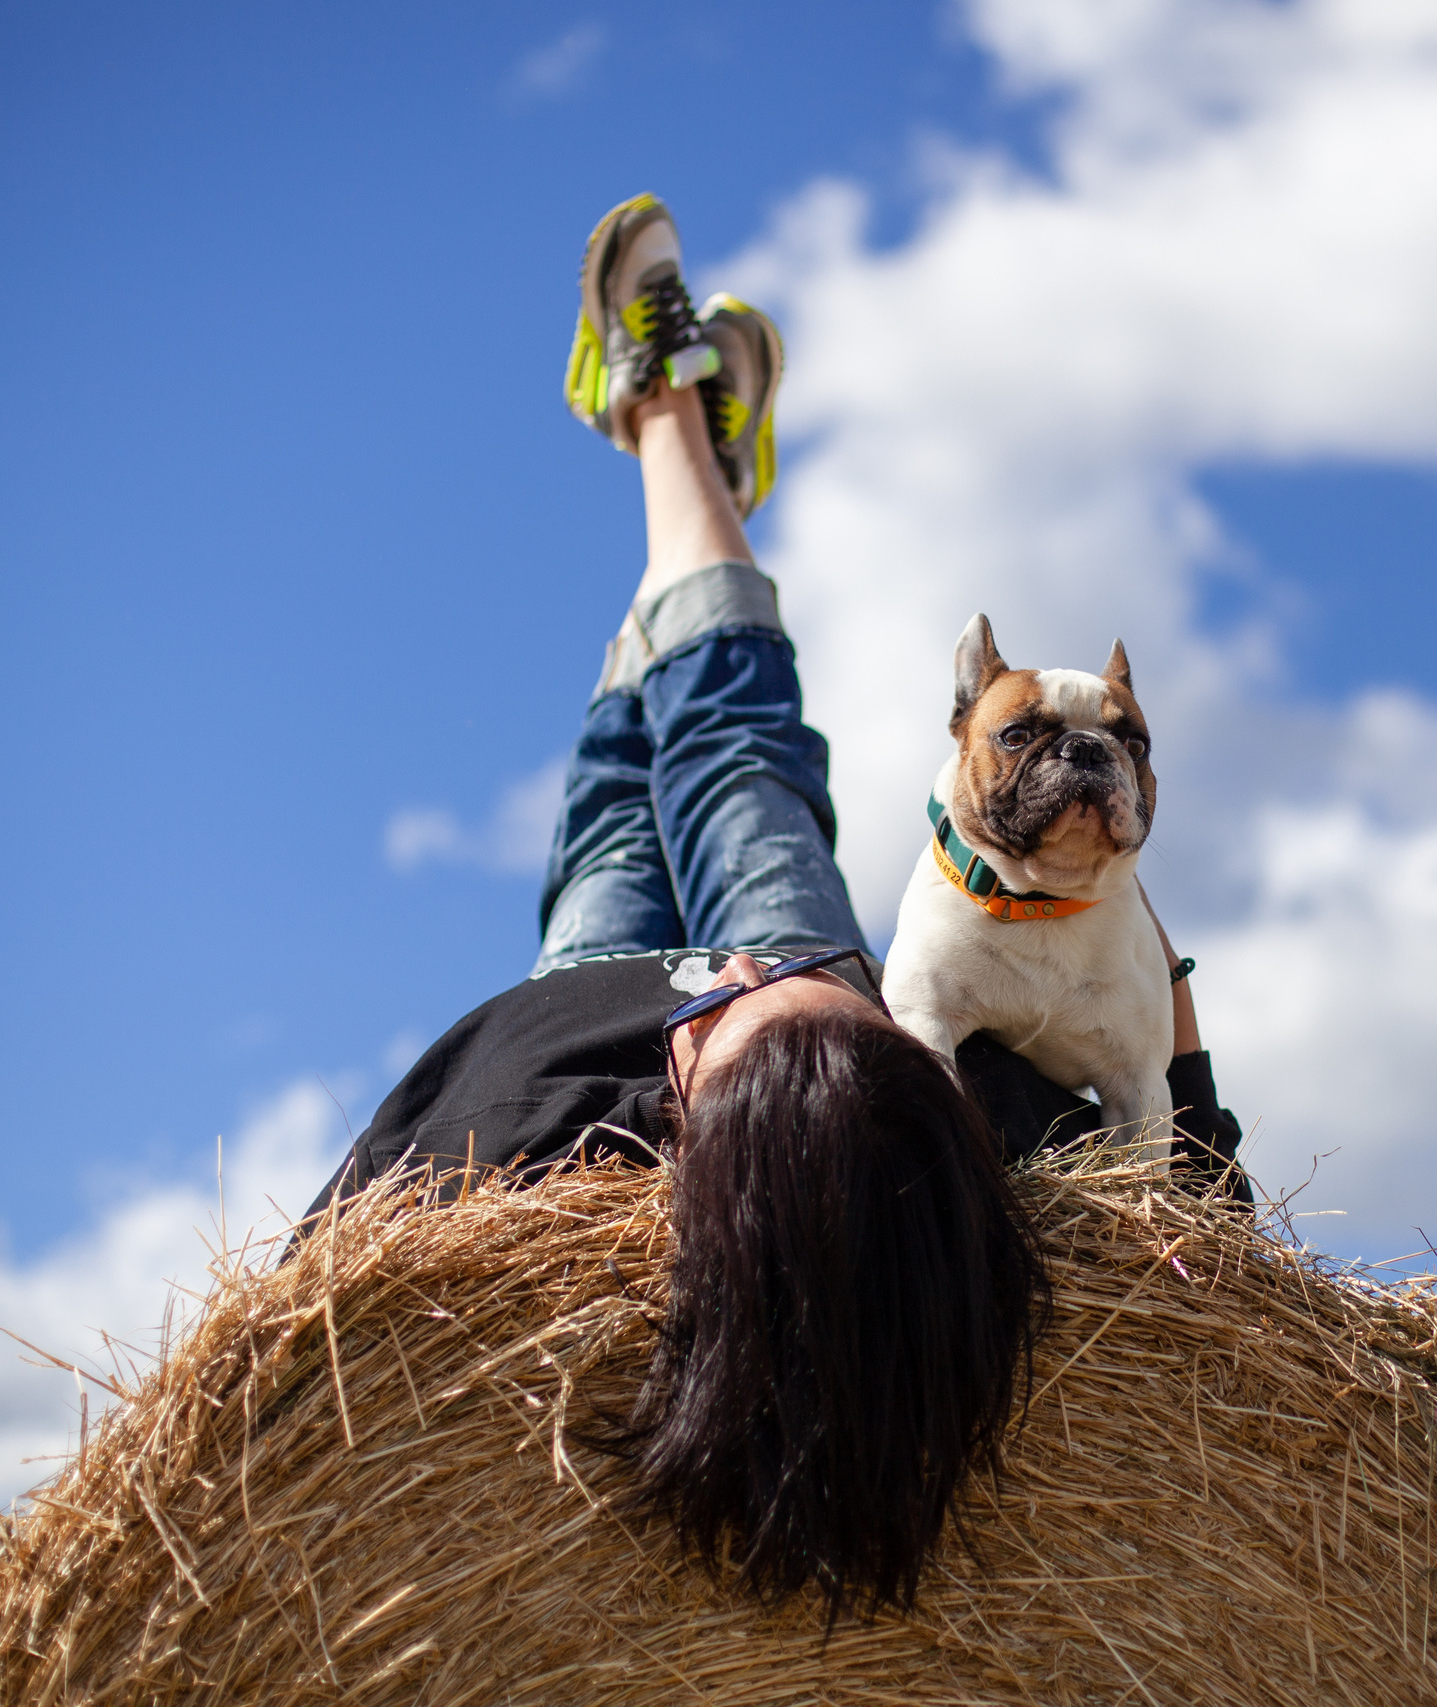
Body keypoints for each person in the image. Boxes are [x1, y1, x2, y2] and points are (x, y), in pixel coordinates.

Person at [297, 193, 1249, 1621]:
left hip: (579, 985)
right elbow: (1202, 1189)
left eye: (728, 1033)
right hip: (770, 950)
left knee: (619, 777)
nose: (727, 994)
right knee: (735, 736)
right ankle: (671, 409)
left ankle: (678, 473)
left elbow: (332, 1288)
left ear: (686, 1107)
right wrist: (1149, 957)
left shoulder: (518, 1145)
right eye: (828, 1041)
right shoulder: (951, 1136)